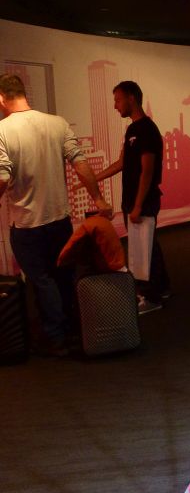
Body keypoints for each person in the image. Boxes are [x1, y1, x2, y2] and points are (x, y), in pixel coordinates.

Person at [0, 72, 113, 356]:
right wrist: (99, 198)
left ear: (2, 98)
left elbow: (2, 178)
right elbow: (81, 163)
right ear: (25, 93)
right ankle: (76, 329)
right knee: (63, 274)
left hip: (26, 224)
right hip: (59, 219)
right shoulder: (57, 123)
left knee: (41, 279)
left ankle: (57, 336)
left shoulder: (1, 131)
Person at [94, 80, 170, 314]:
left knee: (140, 250)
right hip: (134, 201)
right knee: (149, 247)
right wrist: (94, 178)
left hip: (143, 202)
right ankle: (162, 287)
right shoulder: (132, 130)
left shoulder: (146, 129)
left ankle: (150, 297)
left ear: (131, 99)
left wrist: (137, 206)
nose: (115, 106)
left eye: (117, 100)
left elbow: (147, 170)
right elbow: (122, 162)